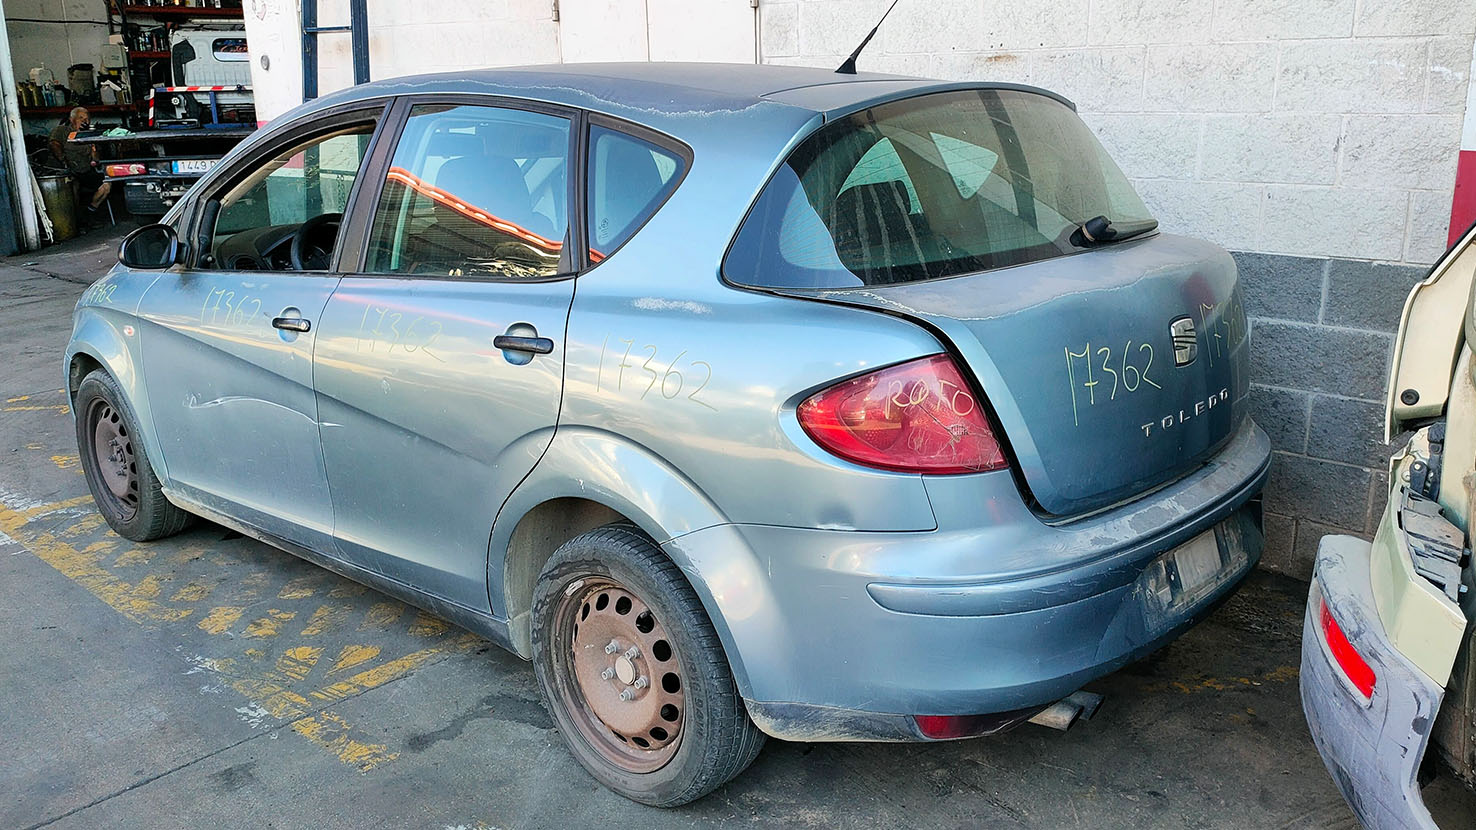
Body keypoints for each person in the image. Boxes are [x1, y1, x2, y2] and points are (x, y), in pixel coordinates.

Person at [48, 107, 110, 226]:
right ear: (72, 119)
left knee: (107, 183)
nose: (84, 121)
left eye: (87, 119)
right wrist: (63, 160)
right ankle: (75, 219)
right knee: (73, 184)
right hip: (68, 171)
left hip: (85, 171)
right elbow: (54, 144)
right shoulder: (62, 130)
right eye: (81, 118)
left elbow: (96, 160)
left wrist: (94, 148)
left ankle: (89, 213)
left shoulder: (89, 135)